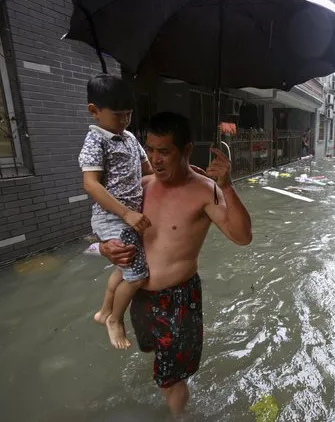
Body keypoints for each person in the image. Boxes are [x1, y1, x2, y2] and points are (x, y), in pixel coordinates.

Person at [98, 112, 252, 415]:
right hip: (139, 293)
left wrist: (227, 186)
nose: (155, 159)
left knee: (171, 379)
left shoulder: (206, 190)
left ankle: (179, 417)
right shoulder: (140, 187)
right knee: (153, 353)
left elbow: (242, 236)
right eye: (150, 150)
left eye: (165, 151)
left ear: (186, 150)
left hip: (180, 300)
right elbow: (110, 229)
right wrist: (106, 248)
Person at [78, 74, 153, 350]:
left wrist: (186, 172)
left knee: (123, 270)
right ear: (94, 111)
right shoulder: (95, 141)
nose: (124, 120)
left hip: (128, 217)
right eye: (118, 115)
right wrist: (126, 214)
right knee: (138, 275)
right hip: (112, 218)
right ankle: (115, 319)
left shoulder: (130, 137)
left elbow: (149, 172)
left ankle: (103, 310)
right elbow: (91, 184)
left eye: (129, 114)